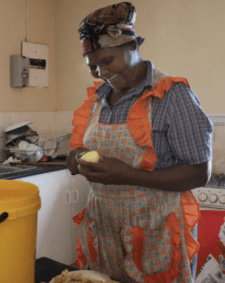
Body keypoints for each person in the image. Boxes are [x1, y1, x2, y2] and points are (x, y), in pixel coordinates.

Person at [66, 2, 213, 283]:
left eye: (107, 61)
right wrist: (75, 161)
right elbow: (77, 152)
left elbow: (198, 172)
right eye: (92, 66)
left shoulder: (171, 95)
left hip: (155, 232)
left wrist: (127, 175)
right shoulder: (97, 100)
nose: (101, 73)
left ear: (132, 45)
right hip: (105, 231)